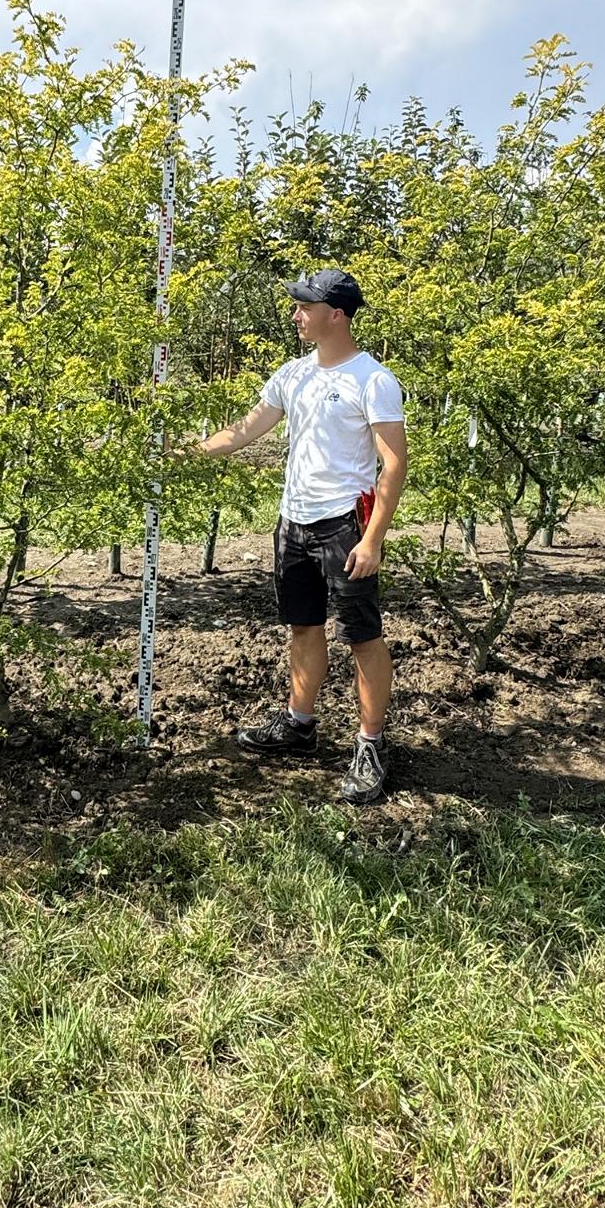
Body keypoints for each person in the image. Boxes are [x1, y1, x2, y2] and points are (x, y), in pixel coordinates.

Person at [194, 268, 408, 805]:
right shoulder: (292, 375)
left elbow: (394, 462)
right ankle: (299, 726)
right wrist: (186, 453)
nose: (296, 314)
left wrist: (373, 539)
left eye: (305, 306)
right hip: (294, 524)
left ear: (337, 314)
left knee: (362, 637)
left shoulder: (372, 380)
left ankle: (369, 747)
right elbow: (246, 429)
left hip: (345, 527)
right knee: (304, 628)